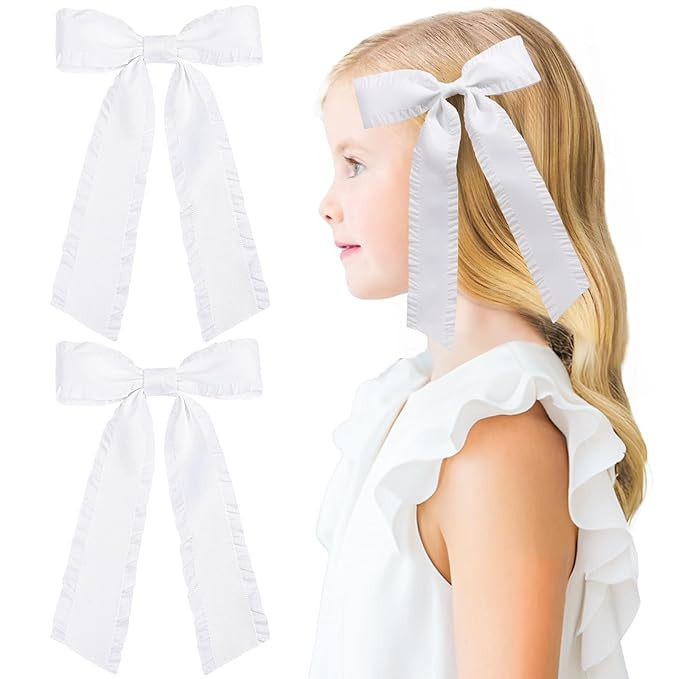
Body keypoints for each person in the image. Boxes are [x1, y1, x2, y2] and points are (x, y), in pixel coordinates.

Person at [311, 8, 645, 679]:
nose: (327, 203)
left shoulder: (492, 439)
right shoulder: (427, 408)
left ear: (458, 175)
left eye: (354, 165)